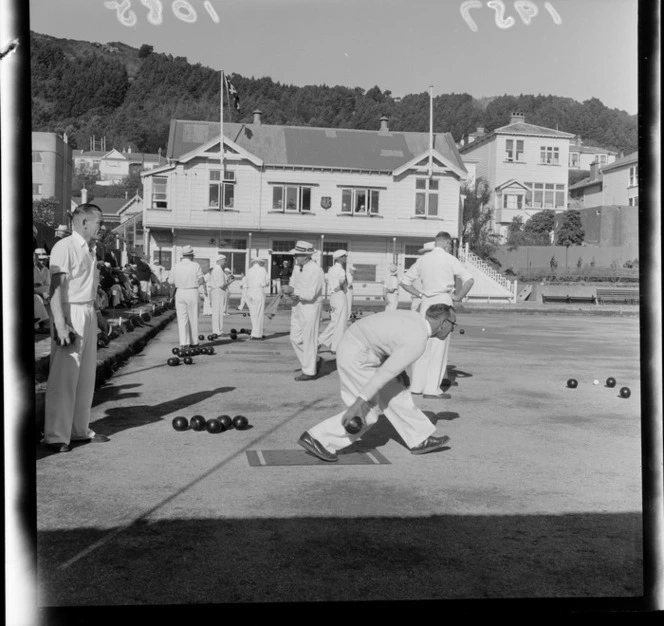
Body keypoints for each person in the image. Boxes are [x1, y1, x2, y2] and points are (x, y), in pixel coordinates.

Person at [297, 304, 457, 462]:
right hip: (357, 354)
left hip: (361, 347)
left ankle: (419, 438)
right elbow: (383, 374)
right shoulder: (418, 340)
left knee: (396, 392)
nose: (453, 330)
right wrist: (358, 403)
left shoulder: (414, 319)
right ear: (443, 323)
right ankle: (318, 439)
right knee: (367, 411)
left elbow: (388, 340)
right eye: (452, 324)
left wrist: (400, 372)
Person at [42, 203, 110, 453]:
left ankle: (79, 430)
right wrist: (60, 324)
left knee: (85, 376)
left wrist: (99, 316)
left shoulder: (91, 249)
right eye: (99, 223)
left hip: (88, 311)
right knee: (65, 376)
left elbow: (88, 287)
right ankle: (56, 435)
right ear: (84, 223)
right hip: (70, 312)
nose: (102, 228)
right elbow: (56, 290)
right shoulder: (65, 247)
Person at [400, 232, 474, 399]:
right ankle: (432, 389)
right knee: (439, 344)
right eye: (450, 245)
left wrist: (419, 294)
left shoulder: (423, 260)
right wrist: (458, 296)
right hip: (443, 300)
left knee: (423, 344)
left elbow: (404, 282)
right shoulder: (450, 259)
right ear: (447, 243)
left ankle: (417, 386)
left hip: (426, 302)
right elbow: (469, 279)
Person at [281, 241, 324, 381]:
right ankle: (312, 361)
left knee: (309, 339)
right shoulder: (297, 267)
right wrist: (288, 292)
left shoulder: (316, 270)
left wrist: (294, 290)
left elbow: (311, 294)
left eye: (298, 254)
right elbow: (293, 283)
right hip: (297, 305)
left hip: (310, 307)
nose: (295, 257)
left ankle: (310, 371)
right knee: (295, 338)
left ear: (306, 255)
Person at [170, 245, 207, 348]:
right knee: (193, 317)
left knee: (182, 318)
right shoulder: (195, 265)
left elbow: (171, 282)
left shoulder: (176, 266)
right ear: (191, 255)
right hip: (192, 291)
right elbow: (201, 280)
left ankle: (183, 342)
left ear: (183, 255)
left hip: (180, 292)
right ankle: (194, 342)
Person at [318, 249, 349, 354]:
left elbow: (326, 279)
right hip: (340, 295)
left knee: (335, 321)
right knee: (340, 322)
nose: (345, 258)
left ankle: (321, 341)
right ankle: (335, 347)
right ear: (340, 258)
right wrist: (344, 288)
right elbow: (342, 283)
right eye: (344, 257)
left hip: (333, 297)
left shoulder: (331, 269)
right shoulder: (341, 270)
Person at [245, 257, 270, 339]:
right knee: (259, 313)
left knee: (253, 314)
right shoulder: (262, 270)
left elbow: (246, 282)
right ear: (260, 263)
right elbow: (266, 282)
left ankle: (254, 332)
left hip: (249, 291)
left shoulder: (249, 270)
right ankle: (257, 334)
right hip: (258, 291)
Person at [208, 255, 232, 336]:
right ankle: (217, 331)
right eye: (224, 260)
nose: (225, 262)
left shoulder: (217, 269)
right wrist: (229, 282)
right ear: (220, 260)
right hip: (218, 291)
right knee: (217, 312)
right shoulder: (218, 270)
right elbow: (222, 285)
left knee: (217, 311)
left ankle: (218, 330)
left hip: (216, 291)